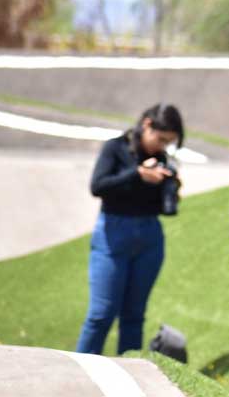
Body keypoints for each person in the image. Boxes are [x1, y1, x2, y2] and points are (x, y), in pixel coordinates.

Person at [75, 103, 183, 354]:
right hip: (113, 234)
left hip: (149, 238)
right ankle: (80, 373)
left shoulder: (161, 160)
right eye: (161, 138)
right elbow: (98, 186)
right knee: (101, 314)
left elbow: (159, 207)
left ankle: (129, 377)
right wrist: (137, 174)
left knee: (134, 317)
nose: (162, 146)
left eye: (168, 142)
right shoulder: (115, 148)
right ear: (147, 125)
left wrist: (170, 190)